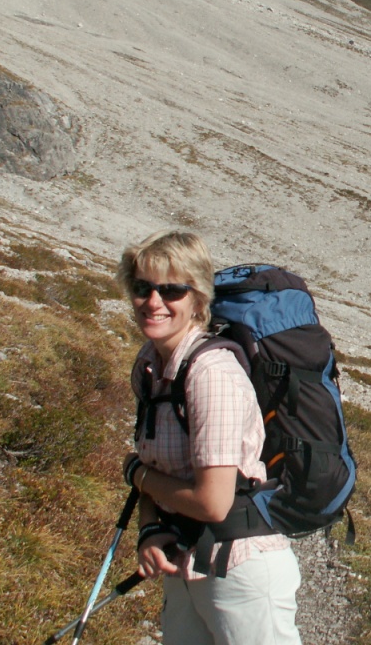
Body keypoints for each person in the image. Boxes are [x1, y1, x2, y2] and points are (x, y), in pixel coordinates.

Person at [117, 230, 302, 645]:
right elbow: (158, 468)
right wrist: (149, 528)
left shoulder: (211, 374)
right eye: (143, 288)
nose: (153, 301)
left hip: (240, 572)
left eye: (171, 290)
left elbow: (212, 502)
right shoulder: (151, 364)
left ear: (198, 299)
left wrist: (137, 476)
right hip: (188, 562)